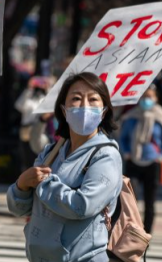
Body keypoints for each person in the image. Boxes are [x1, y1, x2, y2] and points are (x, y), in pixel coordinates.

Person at [7, 72, 123, 262]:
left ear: (103, 111)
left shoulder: (106, 156)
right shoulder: (51, 152)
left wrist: (44, 182)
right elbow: (19, 209)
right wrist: (21, 185)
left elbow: (83, 206)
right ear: (63, 109)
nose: (85, 106)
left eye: (93, 99)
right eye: (76, 98)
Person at [119, 84, 162, 234]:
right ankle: (131, 232)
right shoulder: (131, 116)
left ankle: (146, 234)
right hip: (134, 162)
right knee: (131, 201)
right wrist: (126, 152)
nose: (146, 100)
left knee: (150, 203)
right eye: (144, 97)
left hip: (153, 164)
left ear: (156, 99)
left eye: (150, 97)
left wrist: (161, 156)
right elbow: (123, 137)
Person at [15, 76, 49, 170]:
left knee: (38, 152)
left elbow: (50, 106)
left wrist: (48, 87)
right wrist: (29, 87)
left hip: (39, 129)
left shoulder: (43, 99)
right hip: (27, 128)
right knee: (26, 153)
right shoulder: (29, 100)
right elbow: (19, 105)